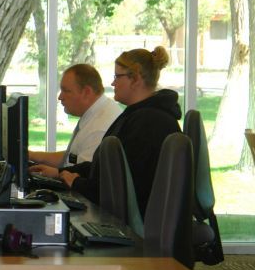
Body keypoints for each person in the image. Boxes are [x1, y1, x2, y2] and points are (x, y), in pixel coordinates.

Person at [59, 47, 181, 216]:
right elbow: (107, 167)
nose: (112, 83)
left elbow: (121, 186)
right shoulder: (137, 115)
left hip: (132, 221)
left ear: (135, 79)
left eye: (117, 76)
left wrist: (77, 183)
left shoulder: (148, 123)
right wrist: (63, 173)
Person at [29, 64, 121, 178]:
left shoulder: (99, 127)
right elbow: (72, 158)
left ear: (86, 92)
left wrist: (56, 174)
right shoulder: (97, 112)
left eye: (66, 91)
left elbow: (82, 176)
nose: (60, 97)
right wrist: (32, 155)